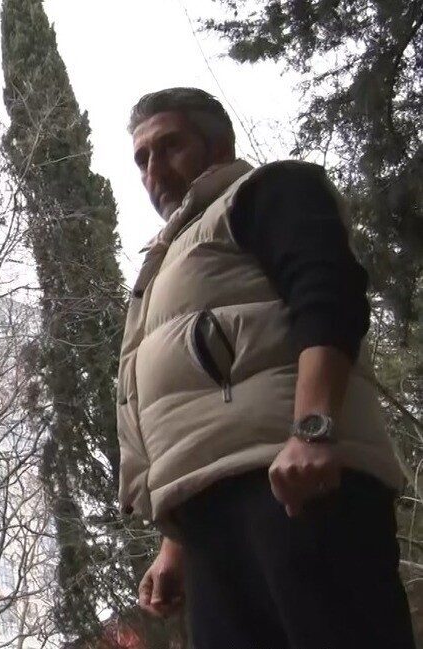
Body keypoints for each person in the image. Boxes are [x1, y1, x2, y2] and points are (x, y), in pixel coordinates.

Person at [119, 87, 413, 647]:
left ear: (218, 145)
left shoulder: (266, 191)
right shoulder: (163, 263)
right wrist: (175, 543)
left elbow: (328, 293)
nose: (154, 170)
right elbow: (190, 402)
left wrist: (313, 428)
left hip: (297, 487)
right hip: (209, 526)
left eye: (170, 146)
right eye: (141, 158)